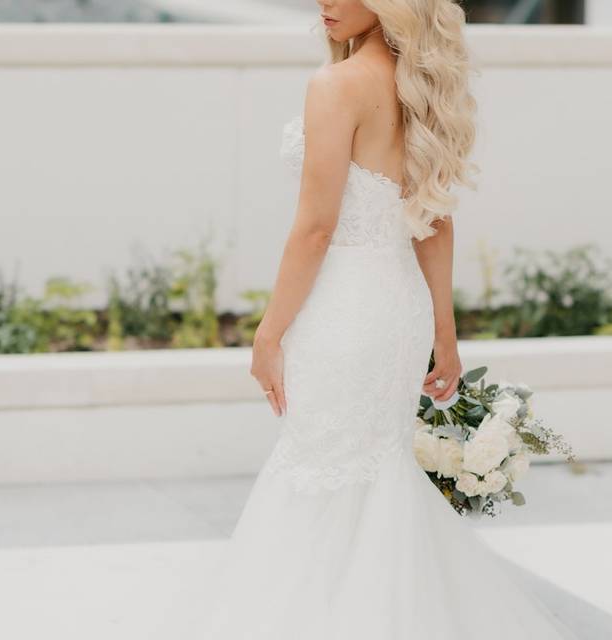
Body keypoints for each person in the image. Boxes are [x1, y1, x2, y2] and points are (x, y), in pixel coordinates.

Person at [196, 2, 584, 638]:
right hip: (395, 307)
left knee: (324, 466)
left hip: (344, 307)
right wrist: (443, 334)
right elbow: (433, 219)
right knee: (373, 468)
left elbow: (316, 228)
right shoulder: (418, 86)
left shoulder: (336, 86)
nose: (323, 2)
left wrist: (268, 333)